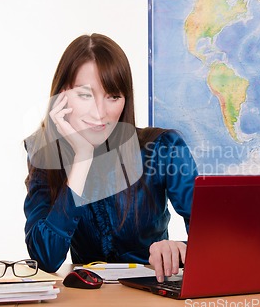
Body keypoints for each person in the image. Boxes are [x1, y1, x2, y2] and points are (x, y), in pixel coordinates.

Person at [23, 33, 198, 282]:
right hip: (86, 301)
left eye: (113, 96)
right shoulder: (44, 153)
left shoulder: (163, 147)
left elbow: (216, 241)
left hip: (152, 297)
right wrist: (81, 160)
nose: (100, 113)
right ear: (62, 95)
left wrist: (180, 249)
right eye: (85, 95)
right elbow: (45, 259)